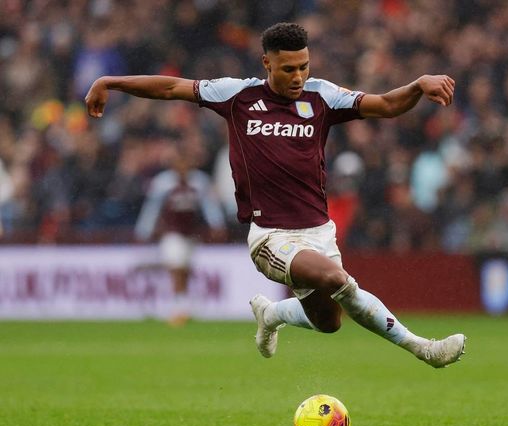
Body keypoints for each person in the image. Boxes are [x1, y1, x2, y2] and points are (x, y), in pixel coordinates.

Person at [85, 22, 466, 368]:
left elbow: (386, 105)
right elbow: (171, 88)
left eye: (304, 67)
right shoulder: (237, 95)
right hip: (271, 235)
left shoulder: (323, 96)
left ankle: (272, 314)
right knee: (336, 279)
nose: (298, 76)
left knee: (329, 322)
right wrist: (110, 82)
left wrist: (417, 85)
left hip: (319, 232)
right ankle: (423, 349)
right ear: (266, 63)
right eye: (288, 69)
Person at [135, 148, 226, 326]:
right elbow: (152, 207)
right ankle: (179, 308)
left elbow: (209, 204)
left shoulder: (200, 181)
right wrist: (144, 229)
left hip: (191, 233)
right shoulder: (163, 183)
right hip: (171, 233)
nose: (183, 167)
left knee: (185, 270)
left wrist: (216, 224)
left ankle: (183, 305)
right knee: (176, 267)